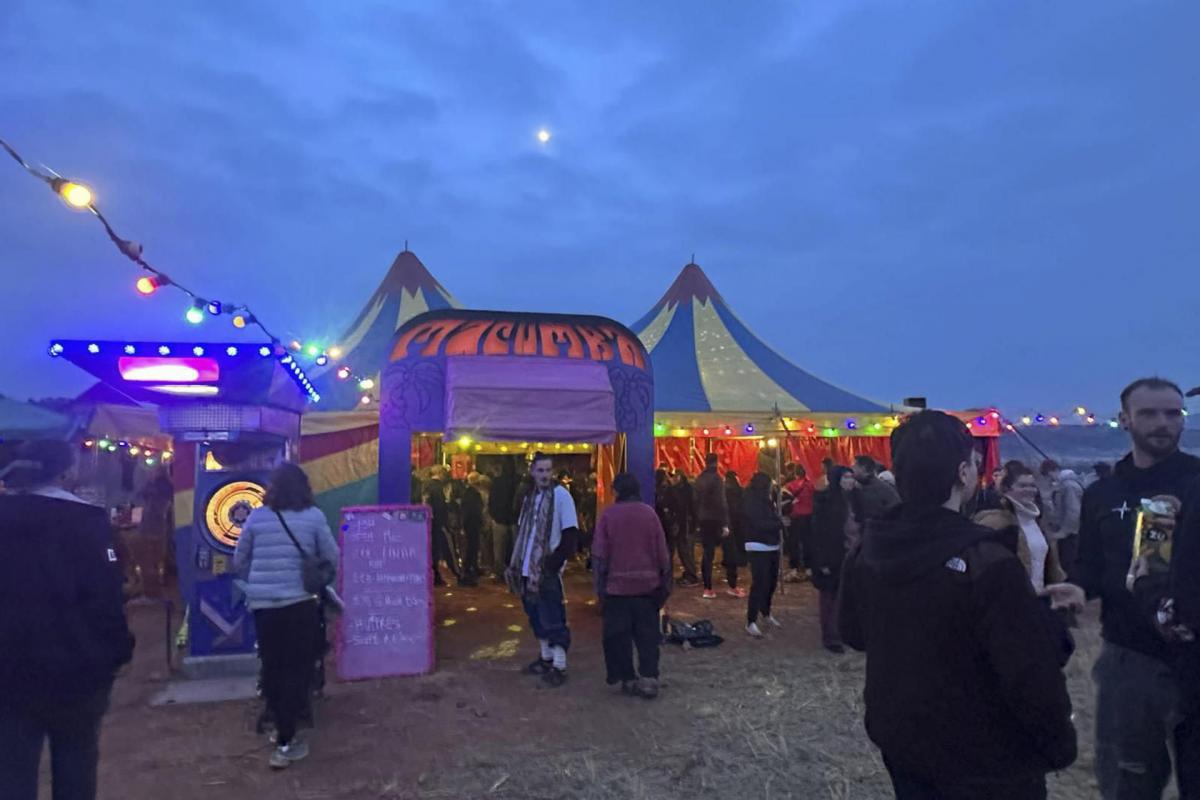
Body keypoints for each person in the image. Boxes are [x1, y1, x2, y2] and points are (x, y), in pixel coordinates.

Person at [839, 410, 1077, 798]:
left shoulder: (870, 548)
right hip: (987, 757)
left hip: (903, 738)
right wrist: (1059, 745)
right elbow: (1030, 672)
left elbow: (854, 633)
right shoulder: (986, 559)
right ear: (964, 472)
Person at [1077, 377, 1200, 799]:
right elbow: (1088, 572)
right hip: (1131, 661)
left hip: (1197, 655)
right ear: (1125, 420)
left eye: (1173, 413)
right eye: (1149, 413)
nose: (1163, 423)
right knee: (1128, 783)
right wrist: (1073, 591)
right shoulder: (1101, 494)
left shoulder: (1197, 481)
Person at [0, 440, 135, 800]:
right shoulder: (88, 521)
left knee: (13, 767)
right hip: (79, 668)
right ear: (64, 472)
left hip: (10, 669)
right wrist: (119, 650)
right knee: (76, 757)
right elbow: (106, 597)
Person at [233, 463, 338, 770]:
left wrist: (259, 576)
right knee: (297, 668)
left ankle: (276, 721)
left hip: (264, 606)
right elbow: (332, 557)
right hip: (300, 604)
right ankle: (285, 740)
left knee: (272, 664)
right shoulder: (314, 517)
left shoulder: (257, 516)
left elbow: (239, 559)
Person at [592, 472, 673, 699]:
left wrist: (599, 590)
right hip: (647, 588)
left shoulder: (608, 516)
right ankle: (649, 679)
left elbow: (600, 556)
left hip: (616, 589)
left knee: (619, 638)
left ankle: (627, 678)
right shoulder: (649, 514)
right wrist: (665, 585)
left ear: (616, 491)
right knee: (647, 637)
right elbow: (662, 554)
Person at [505, 452, 580, 687]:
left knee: (553, 616)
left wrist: (553, 563)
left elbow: (570, 535)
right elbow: (522, 532)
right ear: (532, 472)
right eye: (541, 471)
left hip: (546, 570)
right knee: (535, 615)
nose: (545, 475)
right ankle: (546, 658)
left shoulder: (561, 496)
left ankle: (559, 664)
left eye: (548, 471)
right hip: (527, 569)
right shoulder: (530, 498)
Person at [810, 467, 861, 653]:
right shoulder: (829, 502)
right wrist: (822, 561)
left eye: (851, 477)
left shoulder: (853, 499)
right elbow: (821, 534)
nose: (850, 481)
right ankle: (831, 636)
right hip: (832, 556)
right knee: (830, 598)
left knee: (843, 597)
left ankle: (841, 632)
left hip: (849, 554)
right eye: (846, 477)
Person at [742, 472, 783, 638]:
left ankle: (765, 612)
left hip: (772, 545)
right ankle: (751, 620)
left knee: (771, 582)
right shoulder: (750, 501)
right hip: (757, 545)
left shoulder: (767, 500)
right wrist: (778, 524)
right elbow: (758, 523)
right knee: (760, 583)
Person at [1039, 460, 1084, 580]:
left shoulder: (1069, 486)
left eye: (1048, 476)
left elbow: (1073, 512)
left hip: (1072, 536)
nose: (1049, 480)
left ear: (1052, 471)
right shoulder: (1064, 485)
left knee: (1070, 567)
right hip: (1070, 535)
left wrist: (1063, 532)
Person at [694, 453, 731, 600]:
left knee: (707, 554)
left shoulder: (699, 479)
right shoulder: (717, 479)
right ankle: (731, 584)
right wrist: (725, 523)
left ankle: (707, 587)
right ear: (716, 462)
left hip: (703, 519)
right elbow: (721, 502)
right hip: (715, 519)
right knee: (728, 550)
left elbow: (695, 501)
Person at [425, 468, 460, 586]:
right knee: (447, 550)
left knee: (431, 550)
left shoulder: (425, 486)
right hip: (439, 523)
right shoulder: (439, 488)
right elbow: (441, 507)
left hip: (428, 523)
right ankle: (458, 574)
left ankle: (435, 576)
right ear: (440, 474)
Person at [488, 459, 519, 582]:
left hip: (500, 519)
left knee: (499, 550)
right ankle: (514, 572)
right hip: (514, 520)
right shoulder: (517, 482)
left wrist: (494, 515)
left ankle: (500, 573)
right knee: (515, 548)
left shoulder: (497, 482)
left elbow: (492, 501)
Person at [667, 471, 700, 586]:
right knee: (683, 551)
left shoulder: (684, 490)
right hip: (685, 525)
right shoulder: (685, 489)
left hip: (686, 526)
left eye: (675, 476)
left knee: (686, 551)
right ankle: (689, 574)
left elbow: (688, 508)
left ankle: (692, 576)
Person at [783, 464, 814, 583]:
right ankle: (808, 568)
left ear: (795, 473)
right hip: (808, 517)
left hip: (794, 517)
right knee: (808, 543)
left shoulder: (789, 486)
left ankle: (794, 568)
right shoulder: (811, 485)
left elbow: (784, 502)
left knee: (793, 543)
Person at [852, 454, 899, 522]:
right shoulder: (870, 486)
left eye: (854, 467)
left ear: (863, 468)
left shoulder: (874, 490)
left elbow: (870, 518)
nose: (851, 470)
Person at [723, 471, 748, 598]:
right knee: (738, 547)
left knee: (729, 552)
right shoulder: (741, 491)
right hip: (740, 525)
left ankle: (732, 582)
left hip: (728, 525)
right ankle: (740, 563)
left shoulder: (724, 492)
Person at [458, 472, 484, 587]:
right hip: (471, 524)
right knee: (471, 548)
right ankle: (467, 570)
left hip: (470, 524)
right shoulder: (472, 494)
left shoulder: (468, 493)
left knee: (472, 547)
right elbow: (470, 511)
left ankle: (471, 568)